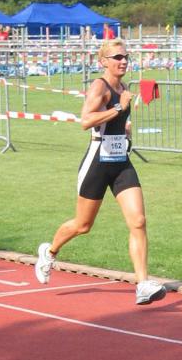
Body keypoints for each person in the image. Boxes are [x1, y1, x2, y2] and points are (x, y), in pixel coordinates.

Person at [35, 37, 166, 305]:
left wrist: (125, 129)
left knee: (139, 221)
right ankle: (49, 252)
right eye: (118, 57)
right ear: (103, 61)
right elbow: (86, 120)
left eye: (126, 56)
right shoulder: (100, 86)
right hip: (97, 162)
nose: (124, 61)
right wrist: (118, 107)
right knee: (83, 225)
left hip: (120, 162)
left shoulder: (124, 87)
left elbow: (116, 121)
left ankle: (142, 284)